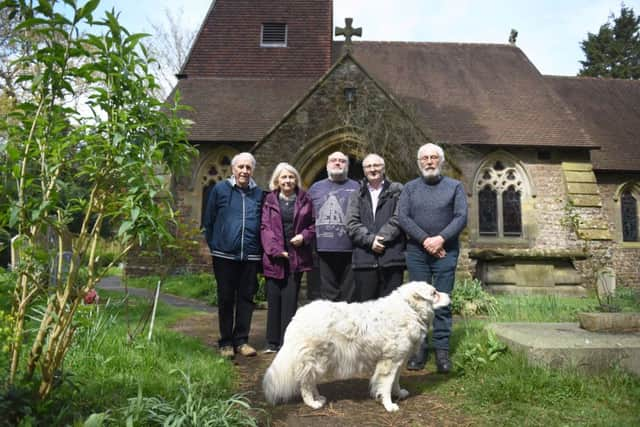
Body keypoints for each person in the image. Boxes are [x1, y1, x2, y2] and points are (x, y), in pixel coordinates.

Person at [398, 143, 468, 373]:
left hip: (446, 252)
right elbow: (403, 217)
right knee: (418, 303)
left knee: (443, 302)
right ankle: (419, 350)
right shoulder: (409, 188)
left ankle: (442, 352)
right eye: (425, 158)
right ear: (419, 163)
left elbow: (460, 217)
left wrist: (440, 239)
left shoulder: (454, 186)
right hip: (417, 252)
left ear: (441, 161)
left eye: (433, 157)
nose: (429, 161)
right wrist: (427, 241)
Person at [203, 152, 264, 359]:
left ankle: (242, 341)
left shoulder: (259, 194)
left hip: (250, 256)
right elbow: (208, 221)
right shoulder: (220, 189)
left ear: (252, 170)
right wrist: (216, 246)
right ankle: (226, 342)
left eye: (248, 167)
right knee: (226, 299)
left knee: (246, 299)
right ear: (233, 169)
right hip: (224, 255)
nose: (244, 171)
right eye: (241, 167)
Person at [260, 163, 315, 353]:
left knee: (290, 300)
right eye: (284, 177)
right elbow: (265, 228)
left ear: (296, 180)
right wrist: (276, 250)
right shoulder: (269, 199)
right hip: (274, 258)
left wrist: (304, 237)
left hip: (296, 257)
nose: (288, 180)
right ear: (277, 180)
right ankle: (271, 342)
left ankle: (287, 343)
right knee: (274, 298)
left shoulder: (305, 199)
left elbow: (313, 226)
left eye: (291, 177)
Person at [346, 154, 405, 301]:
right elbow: (351, 223)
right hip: (364, 260)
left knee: (392, 310)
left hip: (391, 259)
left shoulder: (397, 191)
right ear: (364, 170)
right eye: (368, 166)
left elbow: (400, 218)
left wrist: (381, 239)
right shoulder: (356, 194)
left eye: (376, 165)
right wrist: (370, 240)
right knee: (366, 312)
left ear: (383, 168)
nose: (373, 169)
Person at [308, 151, 359, 302]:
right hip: (323, 250)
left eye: (342, 161)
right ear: (327, 165)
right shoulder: (315, 188)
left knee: (349, 297)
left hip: (351, 249)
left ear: (347, 166)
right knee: (328, 297)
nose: (338, 163)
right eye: (333, 160)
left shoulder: (357, 187)